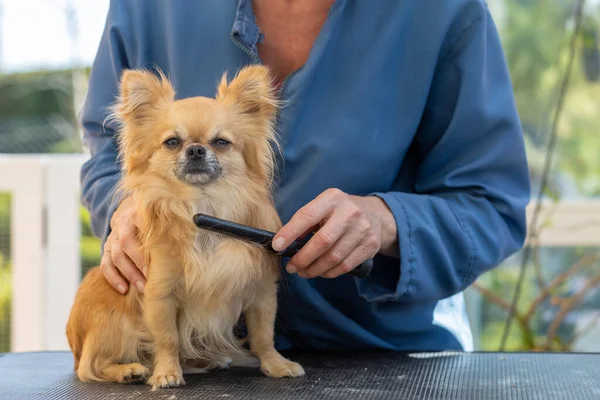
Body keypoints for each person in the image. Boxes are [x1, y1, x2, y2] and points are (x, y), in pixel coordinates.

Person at [80, 0, 531, 352]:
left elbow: (490, 204)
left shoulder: (447, 13)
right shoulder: (145, 8)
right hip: (191, 361)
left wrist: (386, 221)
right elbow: (105, 154)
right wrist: (124, 210)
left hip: (387, 355)